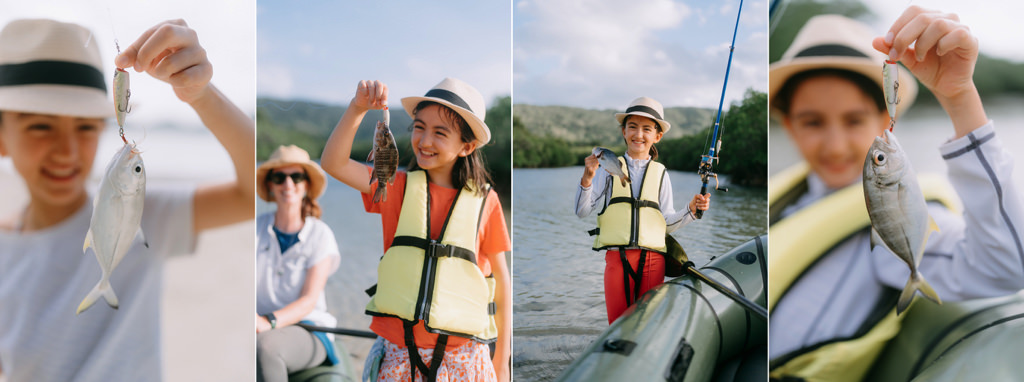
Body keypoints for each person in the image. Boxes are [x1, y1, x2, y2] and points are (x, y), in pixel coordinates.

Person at [768, 9, 1024, 381]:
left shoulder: (890, 246)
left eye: (855, 120)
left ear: (884, 118)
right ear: (788, 124)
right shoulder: (786, 196)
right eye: (813, 122)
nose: (836, 146)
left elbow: (1008, 265)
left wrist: (959, 97)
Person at [0, 19, 254, 381]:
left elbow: (250, 194)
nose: (67, 150)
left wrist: (201, 95)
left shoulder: (146, 213)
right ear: (2, 138)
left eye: (86, 126)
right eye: (40, 126)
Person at [320, 78, 511, 382]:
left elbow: (501, 281)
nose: (424, 140)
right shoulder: (394, 188)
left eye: (440, 132)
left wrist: (502, 361)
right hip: (400, 353)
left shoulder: (486, 202)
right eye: (419, 127)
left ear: (467, 146)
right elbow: (333, 163)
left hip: (464, 356)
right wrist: (358, 108)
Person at [575, 96, 711, 324]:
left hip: (653, 262)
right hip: (617, 260)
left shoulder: (661, 174)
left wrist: (691, 210)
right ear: (623, 132)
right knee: (617, 325)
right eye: (633, 127)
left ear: (657, 136)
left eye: (647, 129)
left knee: (648, 325)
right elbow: (582, 211)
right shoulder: (606, 167)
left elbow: (666, 223)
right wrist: (588, 178)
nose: (639, 134)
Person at [255, 145, 341, 381]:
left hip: (309, 328)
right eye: (279, 177)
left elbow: (308, 301)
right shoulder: (255, 228)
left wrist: (268, 321)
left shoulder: (320, 234)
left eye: (296, 176)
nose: (288, 184)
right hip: (258, 324)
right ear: (270, 185)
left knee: (264, 347)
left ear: (307, 185)